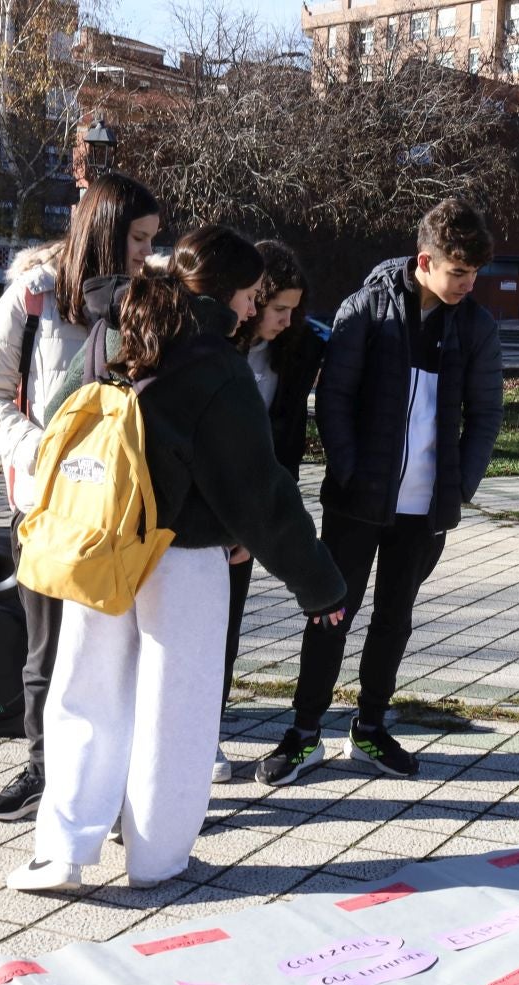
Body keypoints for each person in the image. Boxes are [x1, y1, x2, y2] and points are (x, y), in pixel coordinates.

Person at [6, 226, 346, 891]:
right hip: (181, 560)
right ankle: (158, 859)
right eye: (250, 296)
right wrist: (322, 587)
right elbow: (260, 494)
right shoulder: (216, 365)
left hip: (99, 544)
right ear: (227, 293)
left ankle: (62, 851)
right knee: (178, 712)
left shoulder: (116, 331)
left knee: (84, 695)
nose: (252, 310)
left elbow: (59, 417)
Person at [254, 198, 504, 787]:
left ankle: (369, 729)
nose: (468, 285)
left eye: (474, 275)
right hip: (357, 503)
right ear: (426, 261)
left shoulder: (476, 327)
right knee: (330, 614)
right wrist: (348, 471)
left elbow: (485, 413)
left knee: (395, 619)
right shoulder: (365, 309)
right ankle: (304, 732)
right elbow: (333, 399)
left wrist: (460, 486)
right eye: (458, 273)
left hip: (425, 510)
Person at [0, 173, 161, 822]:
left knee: (119, 655)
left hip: (123, 513)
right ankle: (43, 771)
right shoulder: (35, 296)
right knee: (46, 653)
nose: (144, 250)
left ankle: (113, 785)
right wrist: (42, 459)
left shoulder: (148, 296)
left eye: (152, 239)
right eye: (137, 238)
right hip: (48, 510)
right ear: (104, 230)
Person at [216, 240, 323, 783]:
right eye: (279, 308)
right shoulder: (213, 343)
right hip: (196, 509)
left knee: (228, 624)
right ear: (252, 300)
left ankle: (209, 725)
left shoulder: (296, 349)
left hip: (249, 512)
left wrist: (258, 527)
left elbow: (288, 439)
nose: (287, 320)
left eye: (294, 310)